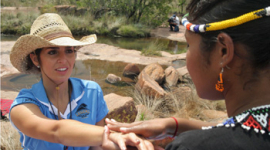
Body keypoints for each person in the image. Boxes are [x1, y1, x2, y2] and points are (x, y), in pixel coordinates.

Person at [105, 0, 270, 149]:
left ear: (223, 51)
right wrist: (173, 125)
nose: (186, 56)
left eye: (188, 45)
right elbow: (237, 129)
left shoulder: (194, 146)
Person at [9, 13, 154, 150]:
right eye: (52, 52)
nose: (63, 60)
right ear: (35, 59)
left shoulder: (92, 92)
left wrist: (131, 144)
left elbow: (96, 145)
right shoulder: (23, 106)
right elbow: (56, 131)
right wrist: (112, 135)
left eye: (69, 51)